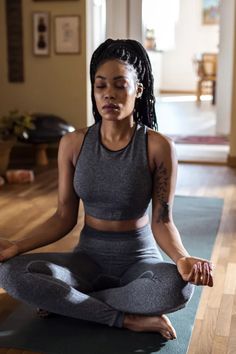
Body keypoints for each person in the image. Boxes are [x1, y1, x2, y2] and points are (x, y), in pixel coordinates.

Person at [0, 39, 213, 341]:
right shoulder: (73, 143)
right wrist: (17, 246)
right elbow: (63, 216)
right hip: (86, 261)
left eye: (119, 85)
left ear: (138, 90)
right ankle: (125, 318)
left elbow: (162, 220)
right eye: (100, 86)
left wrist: (182, 259)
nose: (108, 94)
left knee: (178, 287)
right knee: (9, 272)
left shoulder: (158, 146)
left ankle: (69, 303)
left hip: (139, 262)